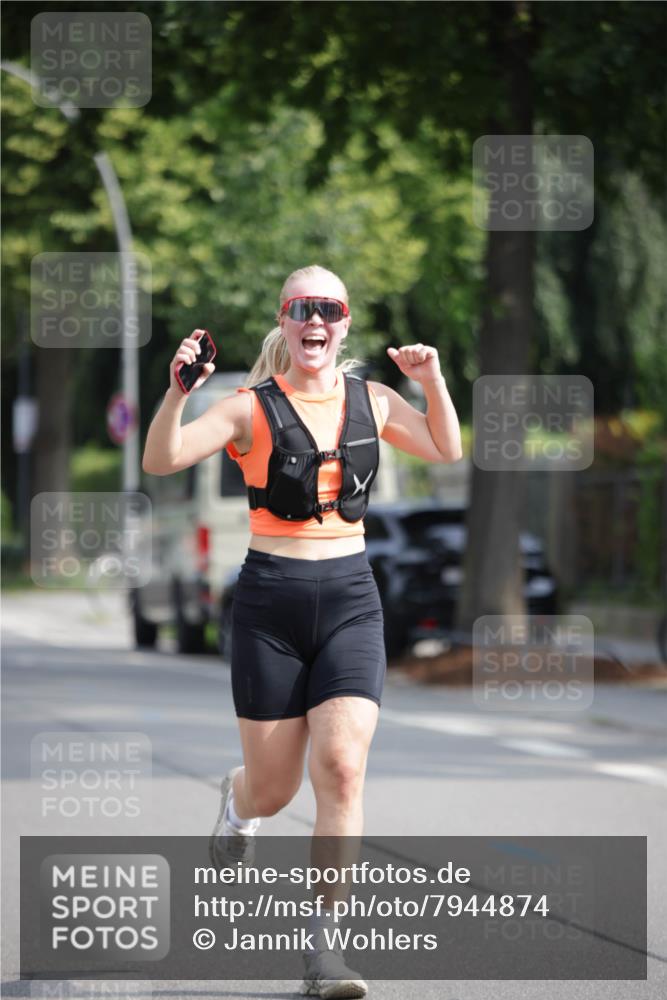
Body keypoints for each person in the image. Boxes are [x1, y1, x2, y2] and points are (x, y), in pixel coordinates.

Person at [142, 265, 462, 999]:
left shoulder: (374, 402)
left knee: (343, 769)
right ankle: (238, 797)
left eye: (329, 308)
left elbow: (444, 448)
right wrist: (177, 393)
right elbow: (161, 458)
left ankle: (324, 955)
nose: (314, 320)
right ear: (284, 324)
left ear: (344, 323)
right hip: (269, 605)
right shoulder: (248, 409)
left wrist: (431, 380)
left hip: (350, 599)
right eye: (300, 309)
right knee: (275, 790)